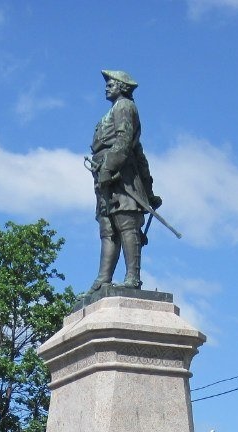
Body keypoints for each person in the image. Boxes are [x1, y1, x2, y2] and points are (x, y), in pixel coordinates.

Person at [88, 69, 161, 292]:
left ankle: (133, 278)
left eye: (112, 83)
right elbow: (140, 154)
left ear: (123, 87)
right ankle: (103, 279)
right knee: (108, 226)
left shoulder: (124, 106)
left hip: (120, 175)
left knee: (126, 224)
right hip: (105, 174)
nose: (107, 86)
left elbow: (124, 141)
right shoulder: (114, 110)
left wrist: (109, 168)